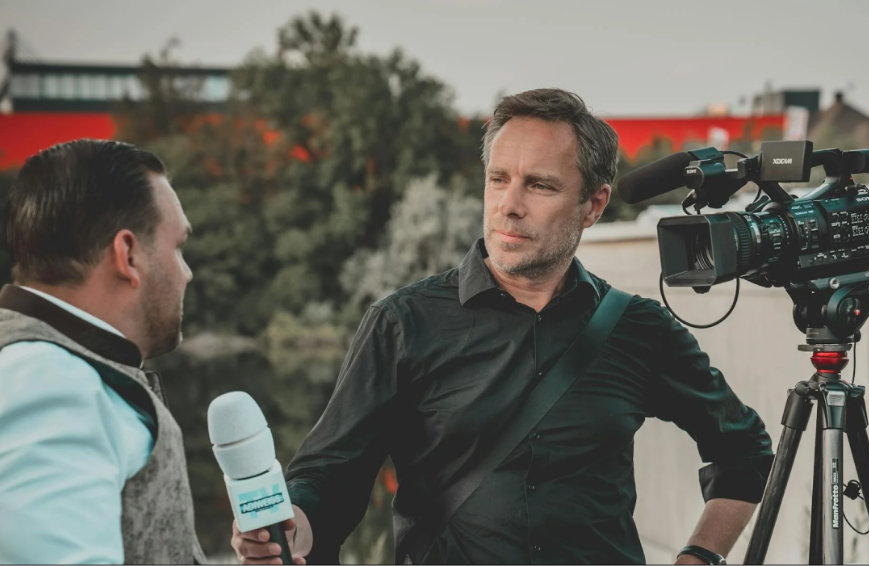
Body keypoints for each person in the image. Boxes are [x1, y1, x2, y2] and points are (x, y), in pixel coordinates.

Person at [232, 88, 773, 565]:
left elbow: (745, 449)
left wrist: (700, 557)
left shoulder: (639, 329)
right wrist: (293, 526)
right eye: (498, 180)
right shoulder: (403, 323)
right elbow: (330, 476)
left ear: (593, 205)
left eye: (539, 186)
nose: (509, 206)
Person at [0, 139, 204, 563]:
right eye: (178, 247)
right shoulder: (48, 381)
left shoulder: (60, 369)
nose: (186, 273)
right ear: (128, 255)